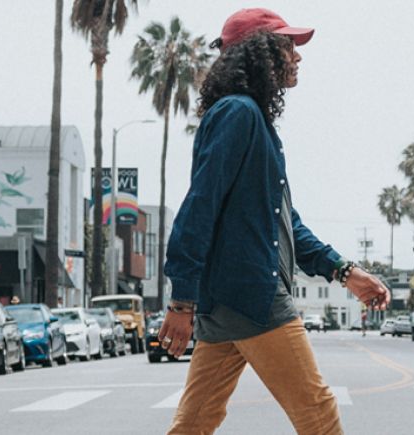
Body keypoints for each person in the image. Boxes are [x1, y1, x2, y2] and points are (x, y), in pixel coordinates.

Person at [158, 9, 391, 434]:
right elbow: (199, 205)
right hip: (255, 297)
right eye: (287, 47)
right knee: (318, 414)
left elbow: (285, 224)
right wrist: (180, 301)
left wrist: (345, 271)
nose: (297, 57)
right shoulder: (239, 114)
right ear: (258, 54)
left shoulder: (251, 120)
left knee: (194, 423)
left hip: (226, 302)